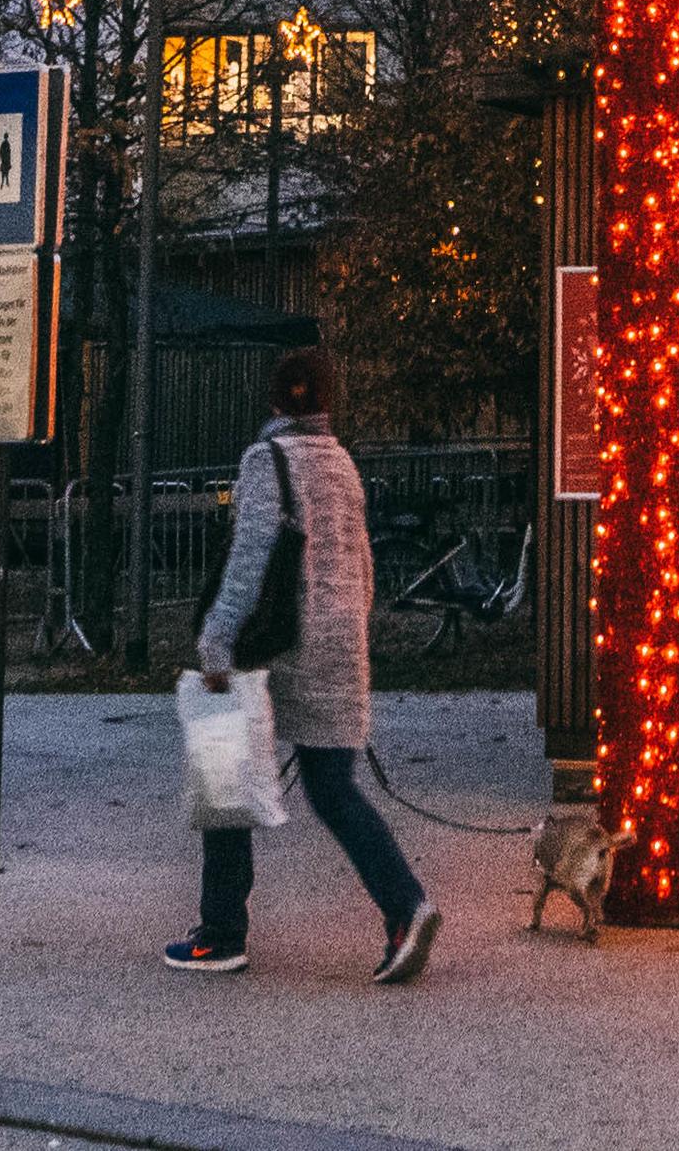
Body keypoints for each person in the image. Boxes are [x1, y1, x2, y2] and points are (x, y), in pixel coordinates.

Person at [170, 349, 442, 984]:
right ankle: (405, 904)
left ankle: (221, 934)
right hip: (339, 645)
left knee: (226, 780)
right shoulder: (342, 464)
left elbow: (249, 559)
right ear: (327, 401)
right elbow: (366, 565)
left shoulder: (267, 460)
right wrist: (352, 631)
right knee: (334, 790)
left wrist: (215, 640)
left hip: (273, 645)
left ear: (273, 402)